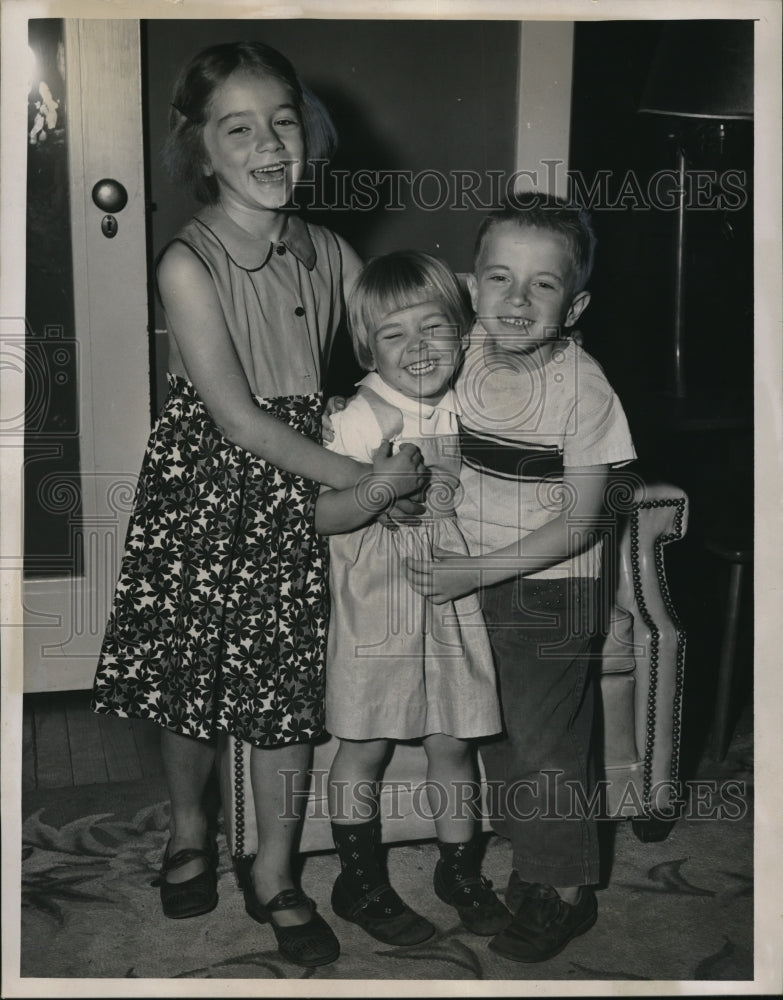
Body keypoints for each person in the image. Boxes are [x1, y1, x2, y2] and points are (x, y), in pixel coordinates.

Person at [91, 41, 427, 969]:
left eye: (283, 121)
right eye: (239, 129)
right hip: (211, 486)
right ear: (200, 149)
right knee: (192, 680)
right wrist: (357, 484)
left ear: (308, 132)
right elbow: (239, 421)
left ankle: (274, 870)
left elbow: (388, 348)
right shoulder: (185, 262)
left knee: (283, 692)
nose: (269, 144)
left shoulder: (328, 250)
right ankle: (190, 828)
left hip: (305, 475)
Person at [405, 194, 637, 963]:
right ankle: (532, 858)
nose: (514, 298)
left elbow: (579, 521)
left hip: (553, 586)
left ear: (573, 306)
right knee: (493, 726)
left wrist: (475, 569)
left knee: (544, 743)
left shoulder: (586, 389)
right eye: (499, 277)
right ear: (472, 285)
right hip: (477, 572)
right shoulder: (463, 350)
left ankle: (563, 887)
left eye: (541, 285)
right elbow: (433, 433)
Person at [315, 250, 510, 948]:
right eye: (394, 335)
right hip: (376, 607)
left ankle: (458, 873)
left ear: (462, 333)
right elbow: (323, 516)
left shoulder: (472, 403)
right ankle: (359, 879)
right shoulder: (362, 416)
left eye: (435, 329)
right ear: (367, 347)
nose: (419, 348)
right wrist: (380, 488)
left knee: (451, 740)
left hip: (451, 599)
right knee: (362, 745)